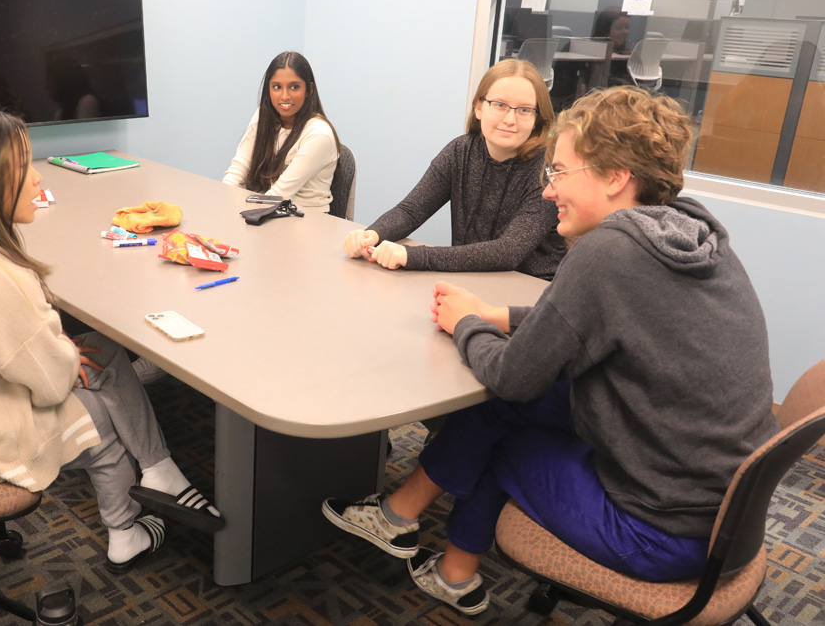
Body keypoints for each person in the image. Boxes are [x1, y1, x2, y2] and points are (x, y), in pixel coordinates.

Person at [323, 86, 778, 615]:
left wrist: (468, 321)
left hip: (661, 535)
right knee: (529, 402)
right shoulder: (690, 230)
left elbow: (512, 376)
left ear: (615, 178)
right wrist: (503, 316)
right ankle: (440, 558)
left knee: (505, 417)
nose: (546, 191)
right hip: (722, 513)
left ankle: (417, 534)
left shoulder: (609, 250)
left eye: (559, 173)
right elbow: (602, 324)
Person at [0, 107, 222, 573]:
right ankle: (125, 532)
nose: (36, 179)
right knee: (104, 419)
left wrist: (67, 354)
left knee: (99, 348)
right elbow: (50, 385)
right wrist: (69, 361)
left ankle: (159, 468)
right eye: (23, 168)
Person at [342, 59, 565, 280]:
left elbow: (509, 252)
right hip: (471, 281)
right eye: (499, 105)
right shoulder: (461, 151)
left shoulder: (547, 169)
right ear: (478, 107)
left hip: (530, 292)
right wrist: (372, 235)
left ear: (537, 118)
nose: (510, 119)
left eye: (524, 110)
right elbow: (411, 211)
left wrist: (413, 256)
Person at [223, 51, 340, 212]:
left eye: (294, 87)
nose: (284, 96)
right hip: (268, 212)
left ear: (309, 89)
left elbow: (279, 195)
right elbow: (238, 170)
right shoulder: (262, 117)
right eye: (277, 87)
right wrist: (222, 201)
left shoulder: (319, 134)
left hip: (306, 221)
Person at [593, 7, 633, 86]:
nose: (625, 32)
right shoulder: (592, 54)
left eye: (627, 27)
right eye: (619, 28)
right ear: (605, 30)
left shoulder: (628, 57)